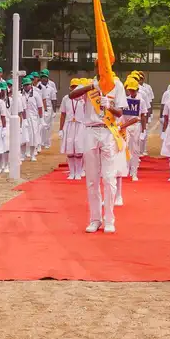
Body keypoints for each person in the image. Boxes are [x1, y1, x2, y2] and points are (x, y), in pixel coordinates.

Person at [70, 76, 128, 233]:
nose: (100, 68)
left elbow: (120, 111)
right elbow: (72, 96)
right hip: (90, 131)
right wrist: (91, 87)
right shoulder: (89, 83)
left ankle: (109, 219)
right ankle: (95, 219)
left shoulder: (116, 84)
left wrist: (109, 106)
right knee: (92, 180)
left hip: (108, 132)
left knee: (109, 179)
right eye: (97, 66)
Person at [122, 76, 145, 181]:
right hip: (125, 126)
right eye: (130, 89)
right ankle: (125, 169)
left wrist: (143, 131)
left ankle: (134, 172)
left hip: (136, 126)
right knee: (124, 148)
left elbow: (143, 115)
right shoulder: (124, 100)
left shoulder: (141, 100)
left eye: (133, 90)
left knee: (135, 150)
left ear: (137, 90)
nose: (131, 91)